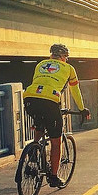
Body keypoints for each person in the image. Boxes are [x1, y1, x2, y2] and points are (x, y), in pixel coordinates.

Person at [23, 44, 90, 187]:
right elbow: (75, 91)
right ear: (64, 57)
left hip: (30, 99)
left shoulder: (41, 64)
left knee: (40, 121)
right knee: (56, 141)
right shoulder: (69, 68)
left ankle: (34, 151)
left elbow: (40, 82)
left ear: (51, 55)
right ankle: (53, 177)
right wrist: (82, 109)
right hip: (50, 102)